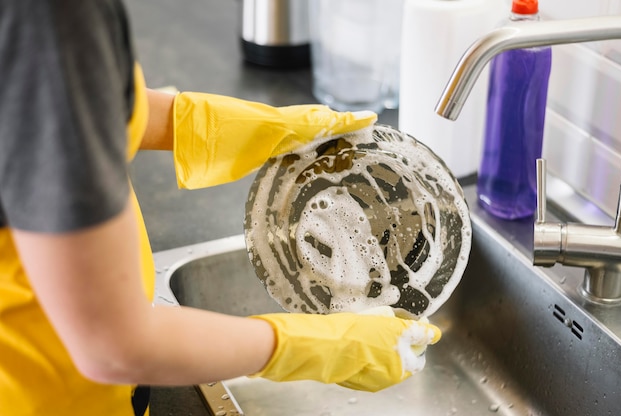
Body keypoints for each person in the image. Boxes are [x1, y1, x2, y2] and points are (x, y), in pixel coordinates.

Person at [0, 2, 441, 415]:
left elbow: (62, 107)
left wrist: (233, 125)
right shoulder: (47, 17)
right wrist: (316, 347)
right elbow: (113, 345)